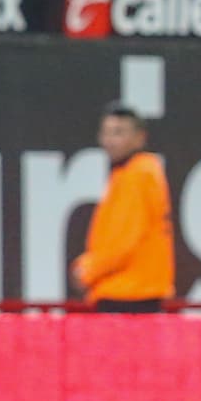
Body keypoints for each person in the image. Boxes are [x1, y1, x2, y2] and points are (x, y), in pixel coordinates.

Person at [71, 104, 175, 314]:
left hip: (128, 296)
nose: (109, 141)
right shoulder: (133, 173)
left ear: (140, 137)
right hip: (133, 292)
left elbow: (123, 241)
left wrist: (87, 269)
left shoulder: (137, 175)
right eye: (106, 133)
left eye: (118, 133)